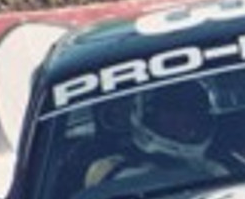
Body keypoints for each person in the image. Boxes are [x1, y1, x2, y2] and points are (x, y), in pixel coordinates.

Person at [84, 79, 227, 188]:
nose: (185, 120)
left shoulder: (218, 170)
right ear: (148, 114)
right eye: (173, 110)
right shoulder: (109, 172)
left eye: (193, 110)